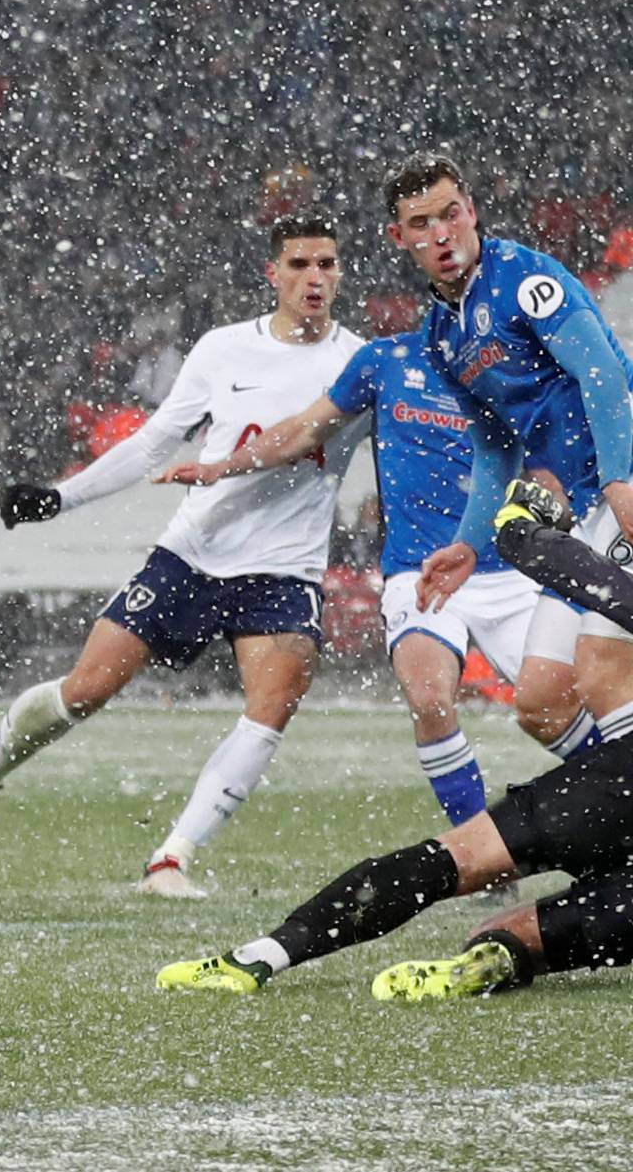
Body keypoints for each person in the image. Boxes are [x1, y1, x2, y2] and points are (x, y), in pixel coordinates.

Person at [0, 211, 365, 897]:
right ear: (273, 274)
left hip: (283, 566)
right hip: (194, 553)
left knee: (275, 702)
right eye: (299, 264)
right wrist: (61, 498)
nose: (315, 277)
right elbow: (153, 444)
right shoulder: (224, 349)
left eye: (327, 263)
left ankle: (171, 858)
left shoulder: (362, 362)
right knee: (84, 691)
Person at [158, 481, 633, 1000]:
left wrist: (523, 534)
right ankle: (505, 954)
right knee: (515, 931)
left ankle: (261, 956)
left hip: (620, 777)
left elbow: (601, 584)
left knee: (451, 860)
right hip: (618, 771)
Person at [153, 331, 599, 834]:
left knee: (556, 712)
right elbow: (303, 430)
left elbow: (555, 461)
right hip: (420, 573)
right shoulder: (387, 361)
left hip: (511, 574)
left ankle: (617, 808)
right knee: (429, 700)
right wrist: (222, 466)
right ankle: (480, 850)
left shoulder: (515, 366)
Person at [395, 152, 633, 756]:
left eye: (451, 214)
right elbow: (495, 448)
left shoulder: (523, 278)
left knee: (604, 671)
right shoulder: (441, 337)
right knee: (540, 702)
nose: (442, 234)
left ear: (472, 212)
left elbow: (602, 373)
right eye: (422, 224)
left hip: (618, 486)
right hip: (586, 512)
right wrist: (470, 545)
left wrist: (621, 481)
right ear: (400, 238)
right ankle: (618, 815)